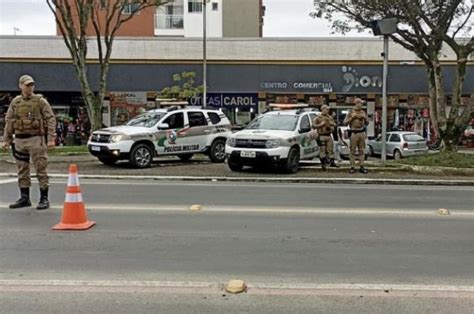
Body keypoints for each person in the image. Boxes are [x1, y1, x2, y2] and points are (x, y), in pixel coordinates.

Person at [2, 74, 56, 210]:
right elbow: (9, 121)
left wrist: (50, 139)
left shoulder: (40, 101)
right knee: (22, 169)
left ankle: (44, 198)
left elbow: (50, 119)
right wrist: (6, 140)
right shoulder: (15, 102)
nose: (29, 88)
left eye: (31, 85)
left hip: (36, 139)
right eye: (27, 85)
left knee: (40, 168)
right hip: (19, 140)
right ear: (20, 86)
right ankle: (24, 197)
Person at [343, 98, 368, 174]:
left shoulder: (363, 112)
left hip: (361, 132)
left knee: (362, 150)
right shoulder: (351, 112)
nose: (361, 105)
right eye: (360, 103)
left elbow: (367, 123)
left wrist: (364, 118)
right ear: (356, 103)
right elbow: (345, 122)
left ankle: (362, 166)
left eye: (362, 103)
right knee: (352, 151)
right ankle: (352, 166)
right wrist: (352, 117)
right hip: (354, 132)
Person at [313, 105, 338, 170]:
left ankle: (332, 162)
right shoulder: (318, 117)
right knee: (322, 150)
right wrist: (321, 124)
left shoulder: (329, 117)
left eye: (328, 110)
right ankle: (323, 164)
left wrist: (331, 124)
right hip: (321, 135)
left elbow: (334, 124)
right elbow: (313, 125)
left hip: (329, 135)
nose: (327, 111)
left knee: (330, 149)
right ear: (323, 109)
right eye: (326, 109)